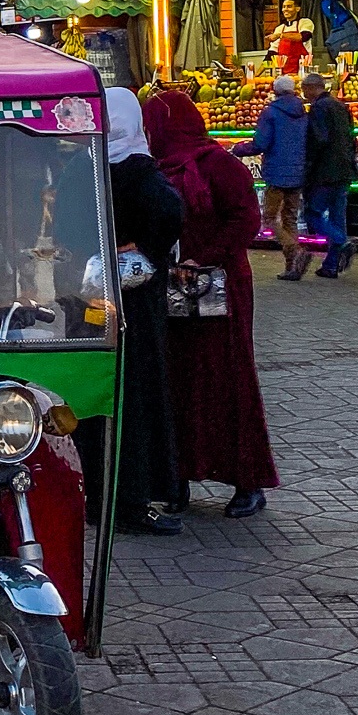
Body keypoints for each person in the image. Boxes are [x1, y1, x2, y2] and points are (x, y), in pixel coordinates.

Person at [143, 90, 279, 519]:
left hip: (221, 288)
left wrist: (205, 257)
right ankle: (177, 476)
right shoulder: (154, 170)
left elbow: (246, 220)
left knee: (228, 378)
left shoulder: (220, 165)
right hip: (174, 287)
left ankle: (247, 480)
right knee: (177, 382)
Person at [105, 88, 184, 536]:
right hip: (135, 301)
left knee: (102, 391)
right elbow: (169, 213)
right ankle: (133, 498)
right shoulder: (140, 172)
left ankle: (99, 492)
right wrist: (146, 248)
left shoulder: (87, 167)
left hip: (88, 300)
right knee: (136, 391)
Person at [232, 75, 309, 280]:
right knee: (290, 218)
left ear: (275, 91)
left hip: (276, 173)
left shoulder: (271, 113)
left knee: (268, 218)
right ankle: (292, 268)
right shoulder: (303, 113)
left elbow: (261, 144)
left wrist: (238, 149)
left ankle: (295, 250)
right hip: (298, 171)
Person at [301, 74, 358, 278]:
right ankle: (331, 265)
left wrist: (308, 166)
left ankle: (342, 242)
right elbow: (352, 137)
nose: (303, 94)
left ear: (310, 88)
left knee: (313, 213)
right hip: (345, 169)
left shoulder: (318, 109)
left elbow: (319, 140)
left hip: (326, 171)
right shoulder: (341, 106)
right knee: (337, 215)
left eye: (303, 89)